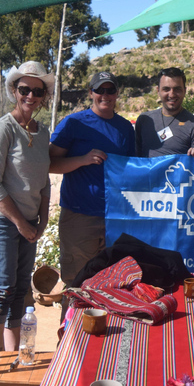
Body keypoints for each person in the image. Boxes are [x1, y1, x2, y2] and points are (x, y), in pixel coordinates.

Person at [0, 61, 53, 352]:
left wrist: (42, 221)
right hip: (1, 218)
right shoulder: (3, 129)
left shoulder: (42, 131)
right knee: (2, 287)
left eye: (37, 90)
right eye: (24, 89)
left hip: (28, 220)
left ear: (44, 96)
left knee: (21, 288)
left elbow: (43, 180)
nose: (30, 96)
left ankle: (14, 355)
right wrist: (21, 223)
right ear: (14, 90)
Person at [49, 71, 136, 292]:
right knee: (77, 281)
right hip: (80, 217)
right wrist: (82, 160)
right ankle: (71, 327)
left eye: (110, 90)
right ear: (91, 93)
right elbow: (50, 163)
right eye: (100, 90)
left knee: (113, 282)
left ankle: (105, 326)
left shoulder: (125, 128)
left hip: (115, 217)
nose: (105, 95)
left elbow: (133, 168)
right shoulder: (73, 123)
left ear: (117, 94)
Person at [135, 67, 194, 157]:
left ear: (185, 91)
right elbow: (135, 159)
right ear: (158, 91)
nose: (172, 94)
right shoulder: (144, 120)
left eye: (177, 89)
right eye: (166, 89)